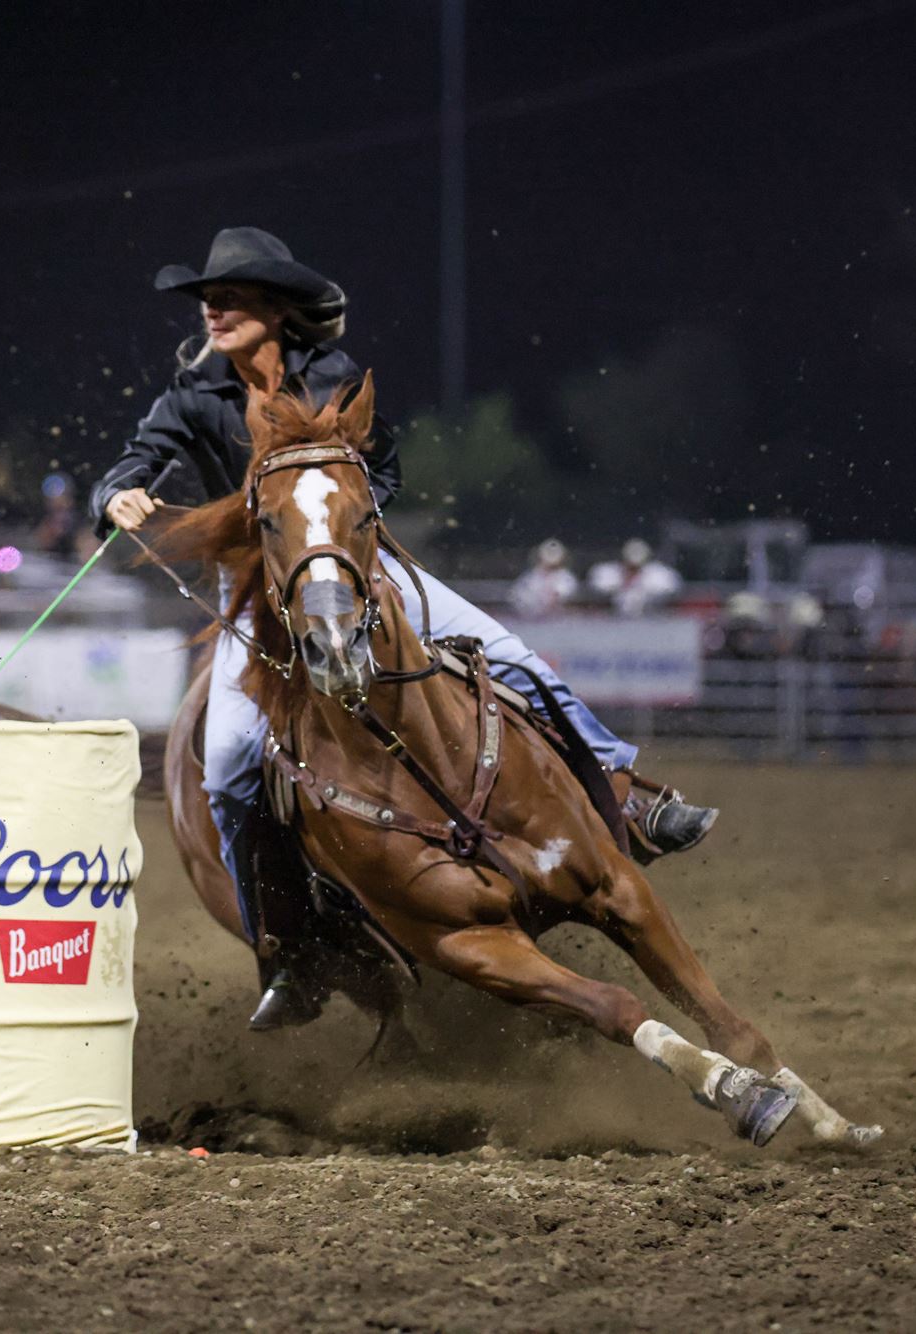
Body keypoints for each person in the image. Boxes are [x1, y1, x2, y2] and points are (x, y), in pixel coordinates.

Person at [89, 227, 718, 1030]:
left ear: (277, 311)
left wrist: (341, 529)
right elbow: (134, 460)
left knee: (514, 657)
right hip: (255, 588)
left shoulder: (333, 377)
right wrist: (118, 494)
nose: (212, 309)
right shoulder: (190, 398)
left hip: (355, 564)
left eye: (232, 296)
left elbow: (382, 468)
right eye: (208, 299)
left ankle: (627, 795)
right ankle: (290, 952)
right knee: (228, 770)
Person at [588, 538, 683, 616]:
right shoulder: (608, 572)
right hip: (612, 620)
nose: (633, 570)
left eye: (637, 567)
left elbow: (671, 589)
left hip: (653, 619)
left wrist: (643, 589)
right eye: (630, 566)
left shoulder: (660, 573)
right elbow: (597, 587)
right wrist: (620, 585)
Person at [507, 537, 579, 618]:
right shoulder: (530, 576)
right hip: (530, 620)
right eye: (548, 554)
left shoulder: (566, 577)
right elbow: (517, 597)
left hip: (560, 620)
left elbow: (566, 598)